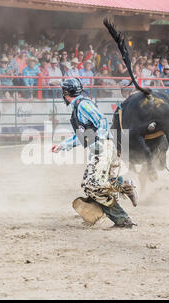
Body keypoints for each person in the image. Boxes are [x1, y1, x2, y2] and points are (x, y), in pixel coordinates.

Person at [51, 78, 138, 228]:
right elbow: (83, 136)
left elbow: (102, 120)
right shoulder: (79, 107)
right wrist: (62, 145)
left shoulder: (83, 105)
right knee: (90, 185)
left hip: (102, 149)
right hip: (100, 149)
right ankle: (123, 217)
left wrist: (101, 141)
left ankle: (124, 189)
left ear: (65, 93)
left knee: (92, 185)